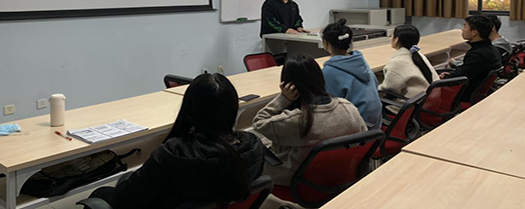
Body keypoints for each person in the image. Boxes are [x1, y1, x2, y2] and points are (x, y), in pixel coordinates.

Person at [90, 73, 264, 209]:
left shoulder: (173, 154)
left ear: (189, 110)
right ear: (233, 108)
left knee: (102, 193)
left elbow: (125, 201)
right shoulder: (252, 145)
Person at [252, 54, 367, 186]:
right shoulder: (348, 107)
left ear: (289, 85)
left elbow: (258, 122)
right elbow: (363, 138)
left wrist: (284, 98)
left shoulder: (296, 120)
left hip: (299, 181)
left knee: (254, 148)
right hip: (341, 173)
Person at [321, 19, 382, 129]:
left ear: (326, 43)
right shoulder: (361, 62)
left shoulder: (328, 72)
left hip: (356, 130)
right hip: (374, 126)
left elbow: (327, 107)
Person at [440, 15, 502, 103]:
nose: (462, 30)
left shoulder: (478, 55)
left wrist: (445, 77)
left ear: (474, 32)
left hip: (464, 94)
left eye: (465, 27)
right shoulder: (491, 49)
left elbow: (461, 76)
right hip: (475, 91)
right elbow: (467, 71)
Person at [379, 25, 438, 113]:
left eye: (391, 36)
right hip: (427, 101)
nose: (390, 38)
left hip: (409, 107)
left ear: (396, 39)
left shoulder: (398, 62)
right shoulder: (419, 55)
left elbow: (388, 90)